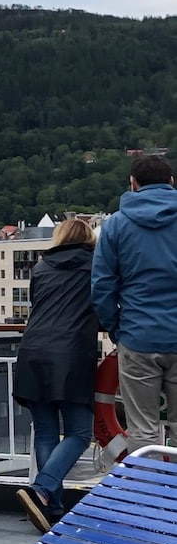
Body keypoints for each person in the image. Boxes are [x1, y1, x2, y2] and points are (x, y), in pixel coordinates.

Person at [15, 215, 99, 530]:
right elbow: (100, 305)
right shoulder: (94, 266)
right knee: (79, 433)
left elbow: (40, 304)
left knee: (47, 431)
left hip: (33, 351)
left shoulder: (41, 267)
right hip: (73, 354)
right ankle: (42, 489)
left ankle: (52, 507)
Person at [92, 157, 177, 452]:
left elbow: (102, 286)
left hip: (138, 337)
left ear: (133, 183)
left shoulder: (115, 224)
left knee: (143, 430)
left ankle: (150, 495)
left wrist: (118, 329)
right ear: (171, 182)